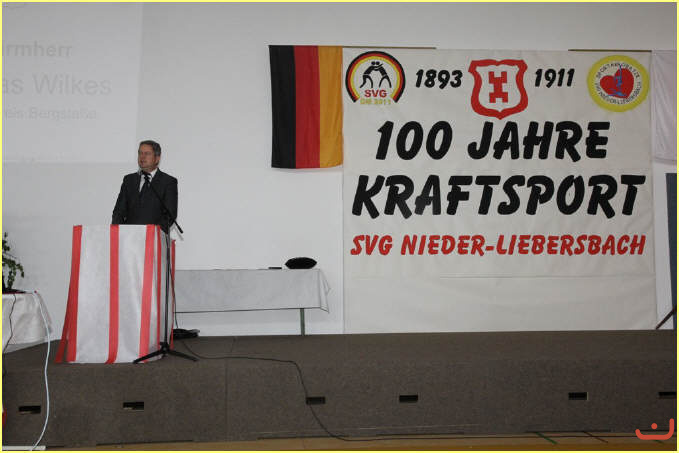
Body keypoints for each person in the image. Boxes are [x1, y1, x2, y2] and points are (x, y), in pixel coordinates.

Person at [112, 140, 178, 233]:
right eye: (140, 153)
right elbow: (118, 212)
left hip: (153, 237)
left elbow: (169, 216)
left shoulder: (168, 182)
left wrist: (152, 234)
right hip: (129, 237)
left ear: (157, 158)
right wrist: (119, 233)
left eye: (147, 153)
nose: (142, 157)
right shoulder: (129, 180)